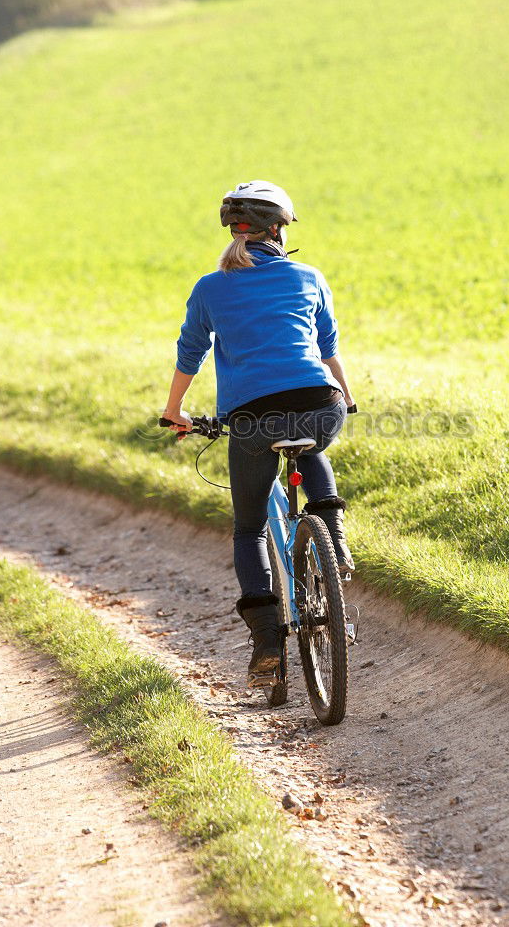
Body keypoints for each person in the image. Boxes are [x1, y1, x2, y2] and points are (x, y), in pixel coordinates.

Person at [162, 180, 355, 685]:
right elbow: (326, 345)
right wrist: (347, 396)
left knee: (249, 528)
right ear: (280, 229)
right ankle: (333, 538)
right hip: (320, 404)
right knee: (312, 442)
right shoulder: (309, 276)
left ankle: (267, 640)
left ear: (234, 231)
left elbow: (191, 351)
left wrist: (174, 410)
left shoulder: (210, 287)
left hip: (251, 420)